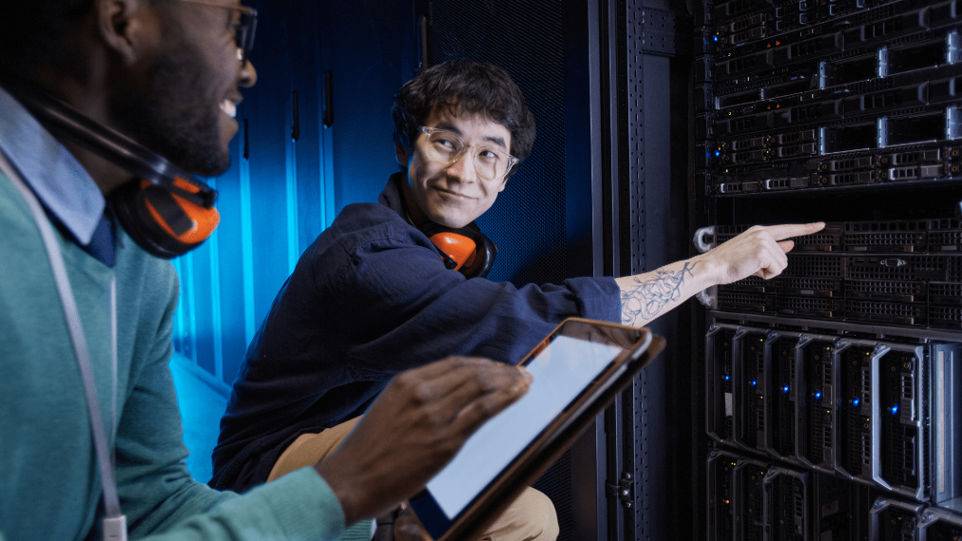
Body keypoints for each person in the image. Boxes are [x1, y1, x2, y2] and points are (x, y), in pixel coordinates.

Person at [212, 59, 825, 529]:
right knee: (486, 501)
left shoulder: (440, 250)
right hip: (263, 470)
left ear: (506, 177)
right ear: (405, 149)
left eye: (488, 154)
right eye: (445, 142)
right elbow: (520, 323)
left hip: (351, 433)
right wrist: (710, 267)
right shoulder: (367, 252)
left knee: (520, 510)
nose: (463, 172)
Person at [0, 2, 532, 540]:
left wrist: (373, 529)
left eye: (490, 155)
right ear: (122, 18)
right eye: (234, 26)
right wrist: (342, 492)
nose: (248, 68)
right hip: (267, 458)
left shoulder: (137, 258)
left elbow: (154, 507)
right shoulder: (366, 244)